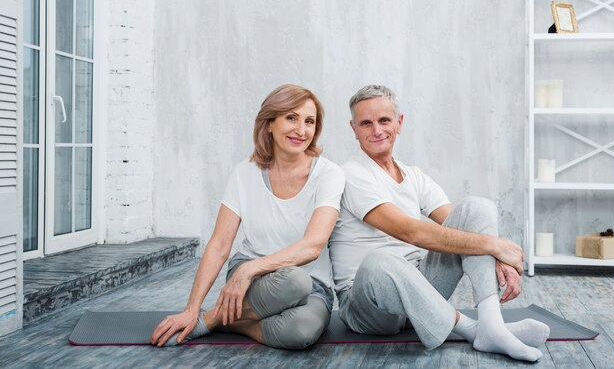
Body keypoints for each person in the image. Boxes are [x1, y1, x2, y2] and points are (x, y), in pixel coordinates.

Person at [329, 85, 549, 362]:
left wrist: (499, 255)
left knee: (477, 208)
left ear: (399, 122)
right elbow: (411, 232)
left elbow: (466, 228)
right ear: (353, 128)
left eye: (384, 120)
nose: (376, 130)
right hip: (368, 306)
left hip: (420, 291)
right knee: (379, 260)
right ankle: (472, 329)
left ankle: (492, 324)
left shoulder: (414, 175)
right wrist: (497, 246)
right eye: (366, 123)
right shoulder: (351, 173)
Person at [151, 84, 345, 349]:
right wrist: (190, 308)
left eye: (309, 121)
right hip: (256, 286)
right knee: (293, 281)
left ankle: (217, 320)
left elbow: (313, 246)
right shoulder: (245, 172)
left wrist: (249, 269)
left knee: (301, 331)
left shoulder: (330, 174)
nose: (302, 130)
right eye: (291, 118)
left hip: (309, 286)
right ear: (269, 123)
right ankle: (233, 313)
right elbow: (220, 244)